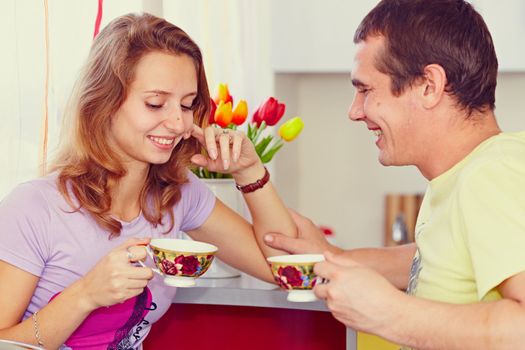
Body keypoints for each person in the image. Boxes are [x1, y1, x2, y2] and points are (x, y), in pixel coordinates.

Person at [0, 13, 296, 349]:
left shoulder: (178, 194)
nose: (177, 123)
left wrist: (249, 172)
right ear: (104, 102)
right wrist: (85, 295)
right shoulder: (34, 208)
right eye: (155, 103)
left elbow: (285, 271)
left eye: (187, 105)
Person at [264, 0, 525, 348]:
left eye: (366, 90)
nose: (355, 112)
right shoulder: (468, 173)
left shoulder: (492, 174)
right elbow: (438, 256)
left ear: (429, 85)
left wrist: (390, 313)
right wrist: (335, 257)